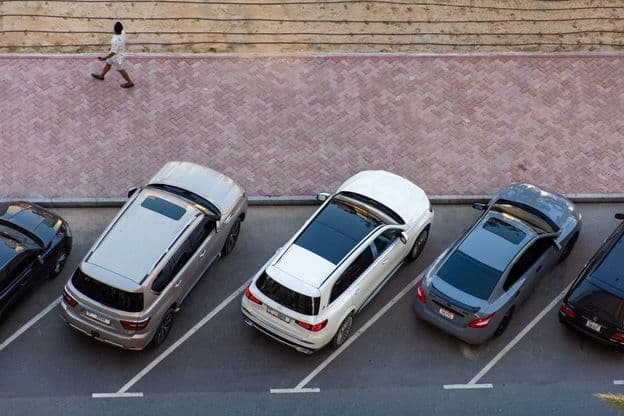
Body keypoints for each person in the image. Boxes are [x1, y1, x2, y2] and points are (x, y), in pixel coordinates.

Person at [92, 21, 134, 88]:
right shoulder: (123, 33)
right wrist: (111, 48)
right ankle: (102, 76)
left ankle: (130, 82)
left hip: (116, 58)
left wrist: (104, 58)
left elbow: (113, 52)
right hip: (117, 54)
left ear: (114, 30)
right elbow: (114, 49)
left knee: (121, 70)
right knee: (108, 64)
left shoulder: (115, 40)